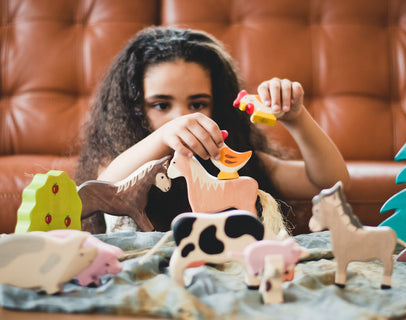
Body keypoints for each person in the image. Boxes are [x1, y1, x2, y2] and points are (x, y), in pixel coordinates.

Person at [76, 26, 349, 234]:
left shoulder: (237, 161)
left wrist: (297, 118)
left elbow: (329, 183)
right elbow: (106, 190)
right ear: (134, 109)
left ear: (218, 106)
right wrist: (164, 136)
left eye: (197, 103)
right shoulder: (119, 160)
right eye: (161, 105)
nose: (182, 118)